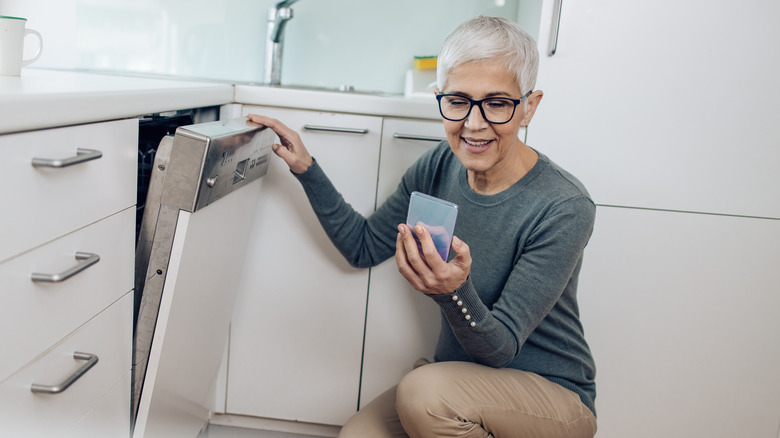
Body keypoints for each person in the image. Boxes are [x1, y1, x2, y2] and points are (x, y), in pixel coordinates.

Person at [249, 15, 597, 438]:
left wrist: (453, 293)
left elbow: (502, 348)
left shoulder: (564, 205)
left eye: (498, 103)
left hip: (552, 399)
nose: (473, 123)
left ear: (528, 107)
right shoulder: (440, 165)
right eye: (457, 101)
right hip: (458, 382)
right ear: (440, 98)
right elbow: (362, 246)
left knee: (424, 394)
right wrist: (306, 168)